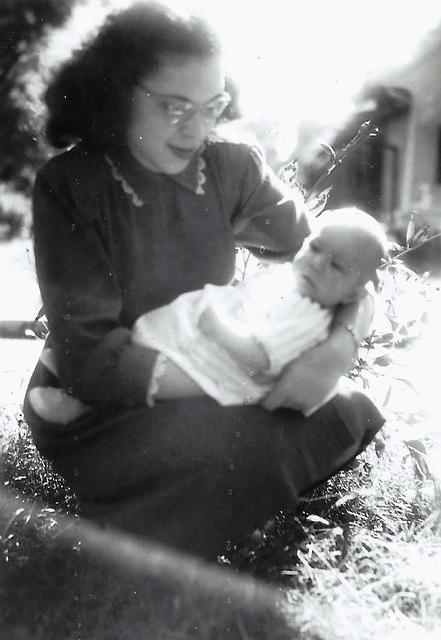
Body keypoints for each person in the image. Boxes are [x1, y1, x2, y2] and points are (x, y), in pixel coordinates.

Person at [23, 1, 385, 561]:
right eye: (174, 107)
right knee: (238, 443)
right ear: (115, 90)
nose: (196, 129)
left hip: (221, 375)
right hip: (98, 407)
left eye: (211, 105)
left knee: (346, 408)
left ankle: (185, 508)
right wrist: (243, 380)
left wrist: (337, 350)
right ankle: (171, 516)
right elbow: (91, 361)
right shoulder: (70, 185)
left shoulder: (228, 167)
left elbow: (340, 261)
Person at [29, 207, 388, 423]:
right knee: (140, 344)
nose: (317, 261)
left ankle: (83, 406)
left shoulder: (310, 320)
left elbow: (263, 357)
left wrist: (219, 329)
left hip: (221, 372)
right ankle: (83, 369)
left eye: (336, 265)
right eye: (315, 246)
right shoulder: (290, 283)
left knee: (147, 374)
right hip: (208, 344)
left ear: (355, 293)